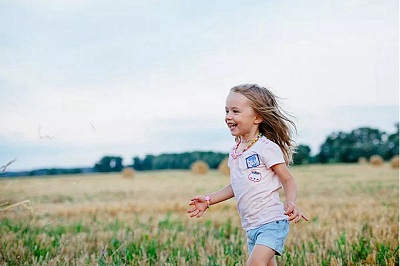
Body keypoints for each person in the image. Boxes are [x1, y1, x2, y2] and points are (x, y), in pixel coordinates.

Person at [187, 84, 308, 266]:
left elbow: (287, 179)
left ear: (257, 117)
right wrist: (208, 199)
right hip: (251, 226)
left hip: (271, 222)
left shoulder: (266, 148)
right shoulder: (236, 151)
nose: (228, 116)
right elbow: (236, 185)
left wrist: (290, 202)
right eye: (227, 111)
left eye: (235, 111)